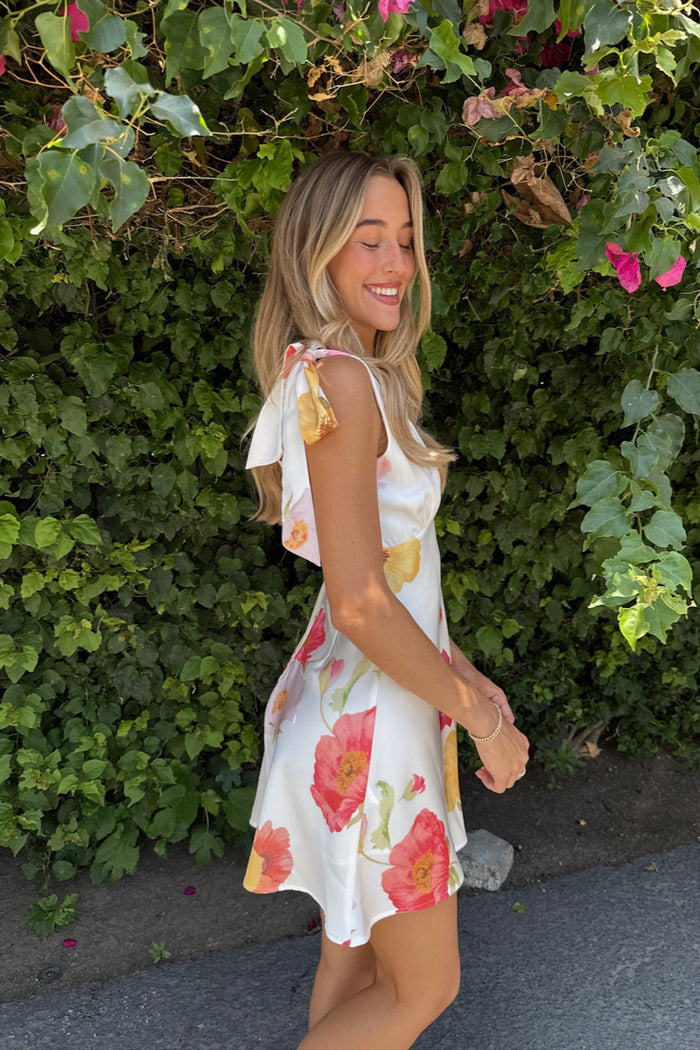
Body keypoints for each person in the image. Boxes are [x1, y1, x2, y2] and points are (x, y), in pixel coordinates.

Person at [243, 151, 530, 1050]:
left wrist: (470, 682)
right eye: (369, 240)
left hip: (364, 707)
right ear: (317, 252)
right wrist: (482, 723)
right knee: (423, 988)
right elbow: (362, 603)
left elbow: (400, 583)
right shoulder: (341, 380)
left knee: (359, 963)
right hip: (375, 729)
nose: (396, 264)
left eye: (405, 240)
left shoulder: (343, 375)